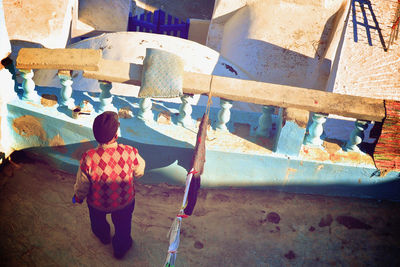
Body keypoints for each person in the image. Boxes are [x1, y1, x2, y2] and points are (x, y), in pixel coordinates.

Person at [73, 111, 145, 259]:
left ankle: (103, 236)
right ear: (116, 135)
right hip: (124, 201)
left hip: (98, 204)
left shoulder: (89, 157)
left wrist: (78, 197)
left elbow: (82, 184)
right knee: (123, 226)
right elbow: (139, 171)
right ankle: (120, 248)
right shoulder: (130, 152)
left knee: (97, 222)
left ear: (96, 136)